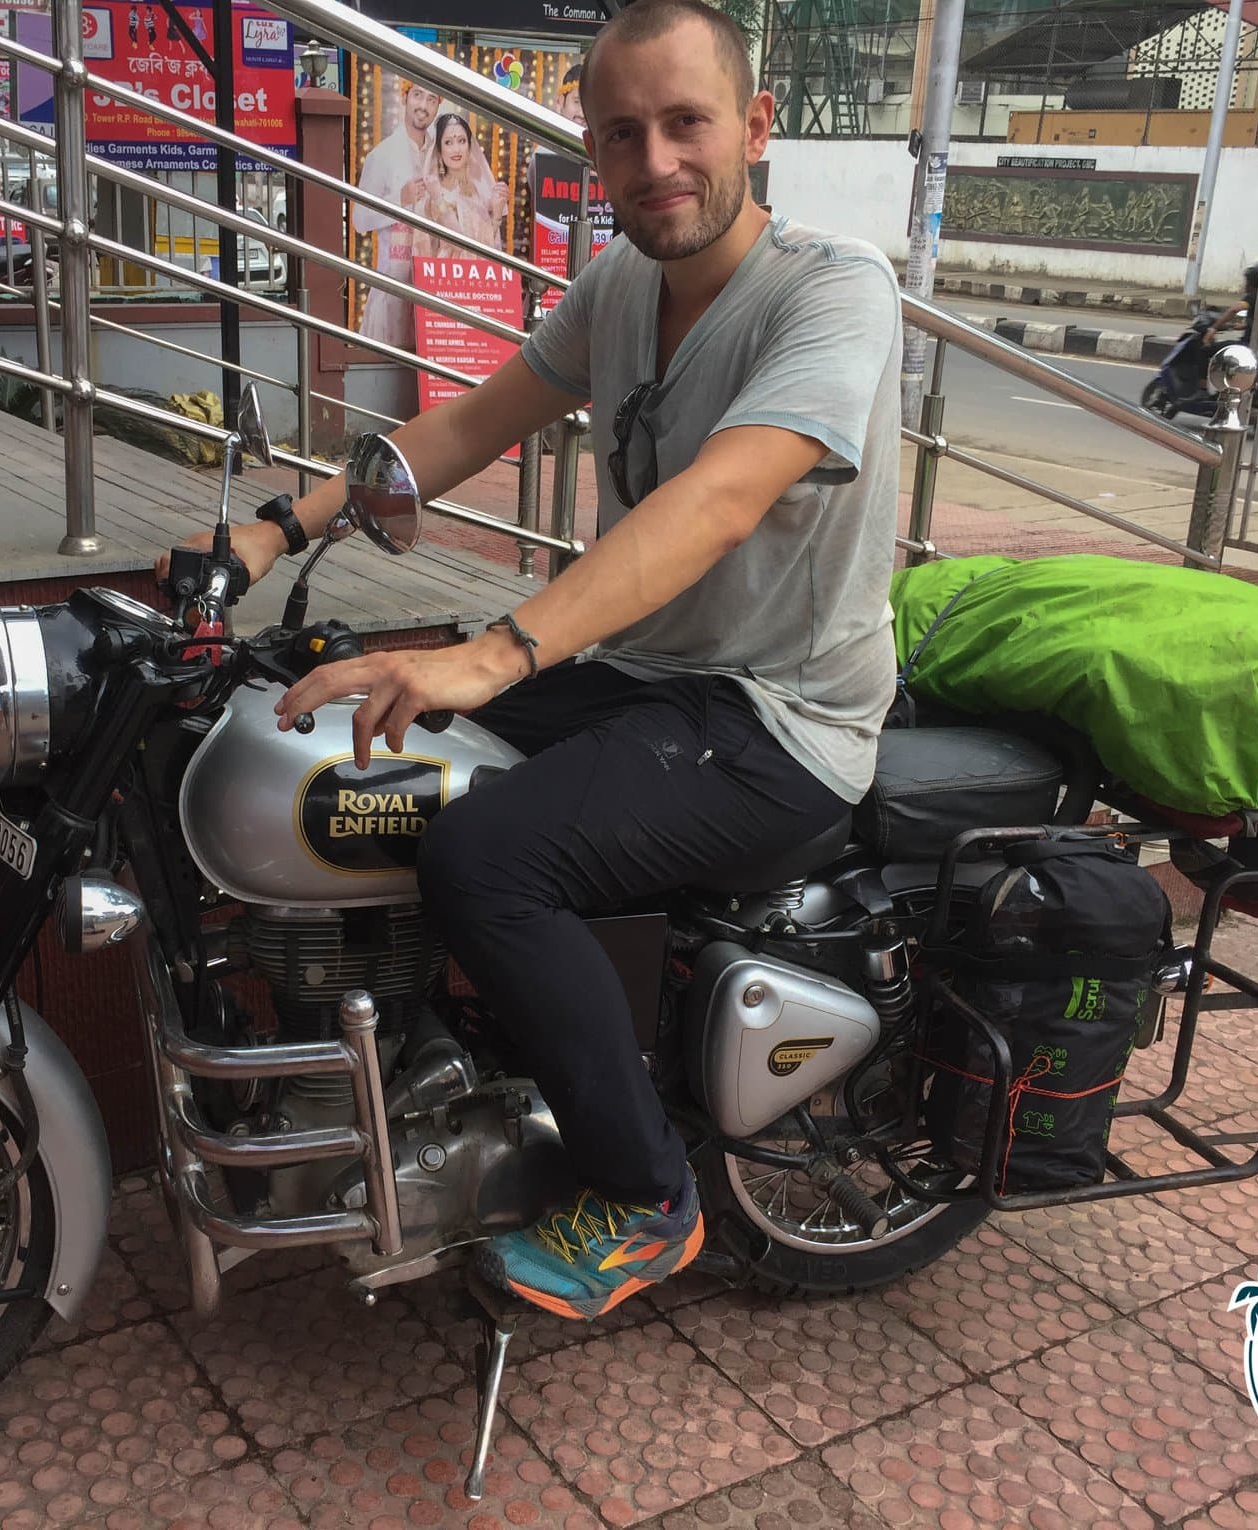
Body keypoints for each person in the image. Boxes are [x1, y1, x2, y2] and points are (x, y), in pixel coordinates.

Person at [160, 0, 900, 1320]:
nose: (657, 160)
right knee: (387, 764)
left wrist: (493, 651)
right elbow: (466, 425)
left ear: (756, 128)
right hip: (653, 675)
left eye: (687, 123)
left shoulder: (832, 289)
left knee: (486, 854)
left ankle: (645, 1197)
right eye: (624, 134)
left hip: (782, 713)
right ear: (591, 151)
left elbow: (724, 498)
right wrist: (277, 528)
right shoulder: (622, 284)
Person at [352, 78, 443, 351]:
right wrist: (399, 201)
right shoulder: (383, 155)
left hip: (432, 285)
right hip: (393, 284)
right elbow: (359, 219)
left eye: (431, 99)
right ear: (405, 98)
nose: (423, 106)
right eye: (417, 95)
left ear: (438, 105)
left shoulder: (441, 154)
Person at [404, 112, 509, 259]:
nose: (456, 149)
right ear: (439, 151)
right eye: (448, 142)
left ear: (469, 146)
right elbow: (457, 242)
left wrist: (497, 215)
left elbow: (485, 247)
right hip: (444, 276)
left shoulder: (476, 192)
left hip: (476, 276)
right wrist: (438, 198)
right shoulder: (432, 191)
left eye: (461, 141)